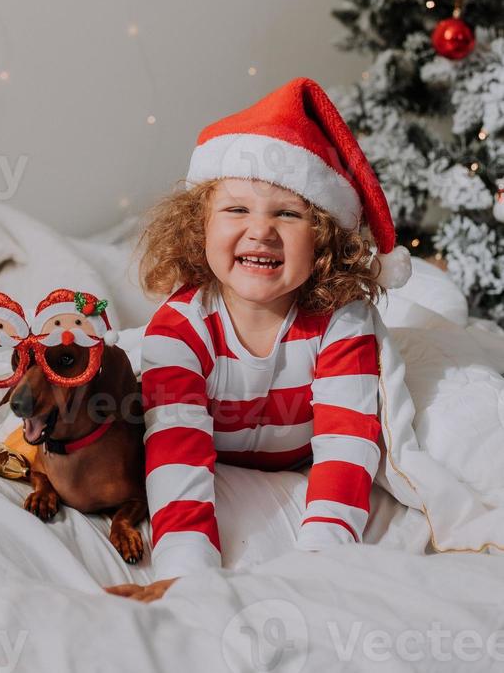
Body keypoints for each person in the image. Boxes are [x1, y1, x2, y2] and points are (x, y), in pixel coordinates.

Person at [105, 76, 411, 603]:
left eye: (289, 214)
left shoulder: (341, 321)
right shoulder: (181, 327)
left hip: (294, 456)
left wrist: (323, 560)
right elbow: (177, 454)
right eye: (236, 210)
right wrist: (187, 572)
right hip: (207, 441)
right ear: (198, 227)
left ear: (324, 239)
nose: (260, 231)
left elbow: (346, 444)